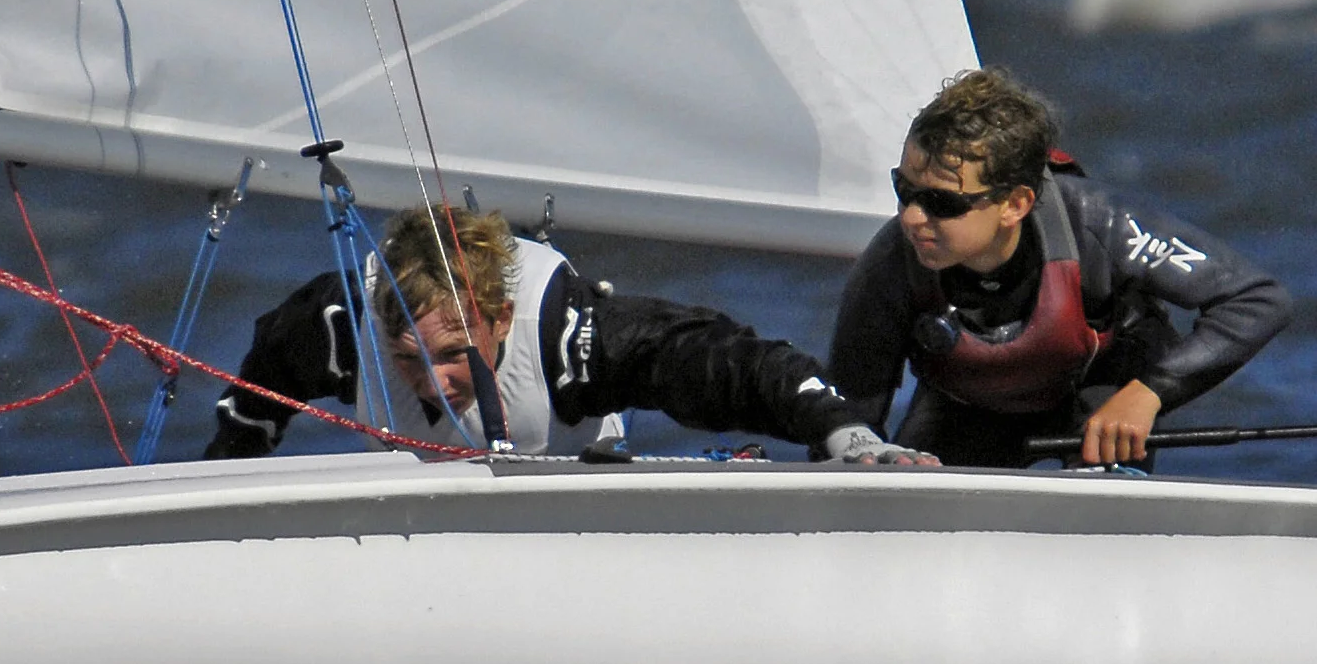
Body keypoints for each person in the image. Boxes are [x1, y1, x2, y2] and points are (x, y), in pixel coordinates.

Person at [205, 205, 940, 465]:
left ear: (497, 317)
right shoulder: (339, 326)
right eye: (410, 362)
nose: (431, 384)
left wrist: (851, 435)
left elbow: (730, 361)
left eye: (455, 356)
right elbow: (256, 395)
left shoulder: (568, 340)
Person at [825, 66, 1292, 469]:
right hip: (967, 407)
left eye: (941, 203)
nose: (911, 218)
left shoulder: (1096, 224)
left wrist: (1148, 395)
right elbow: (851, 420)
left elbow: (1255, 300)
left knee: (1104, 431)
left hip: (1098, 403)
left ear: (1015, 204)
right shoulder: (892, 263)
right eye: (904, 190)